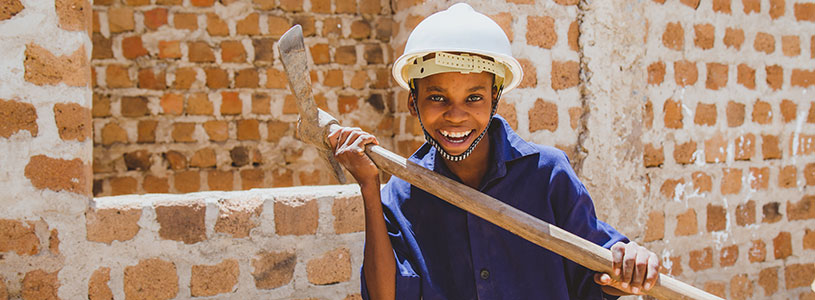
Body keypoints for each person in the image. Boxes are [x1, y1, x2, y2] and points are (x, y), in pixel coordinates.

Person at [327, 3, 660, 299]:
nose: (456, 115)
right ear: (413, 102)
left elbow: (600, 273)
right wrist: (369, 187)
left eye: (474, 97)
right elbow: (385, 295)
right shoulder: (402, 195)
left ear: (494, 100)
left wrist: (631, 265)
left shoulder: (546, 174)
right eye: (437, 97)